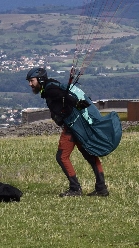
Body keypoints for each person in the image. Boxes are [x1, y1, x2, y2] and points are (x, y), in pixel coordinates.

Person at [26, 67, 109, 198]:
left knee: (62, 157)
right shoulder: (51, 85)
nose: (30, 84)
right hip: (78, 125)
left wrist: (79, 106)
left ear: (40, 79)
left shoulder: (50, 89)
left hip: (72, 127)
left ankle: (75, 189)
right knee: (89, 156)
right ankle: (101, 188)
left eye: (32, 81)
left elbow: (67, 97)